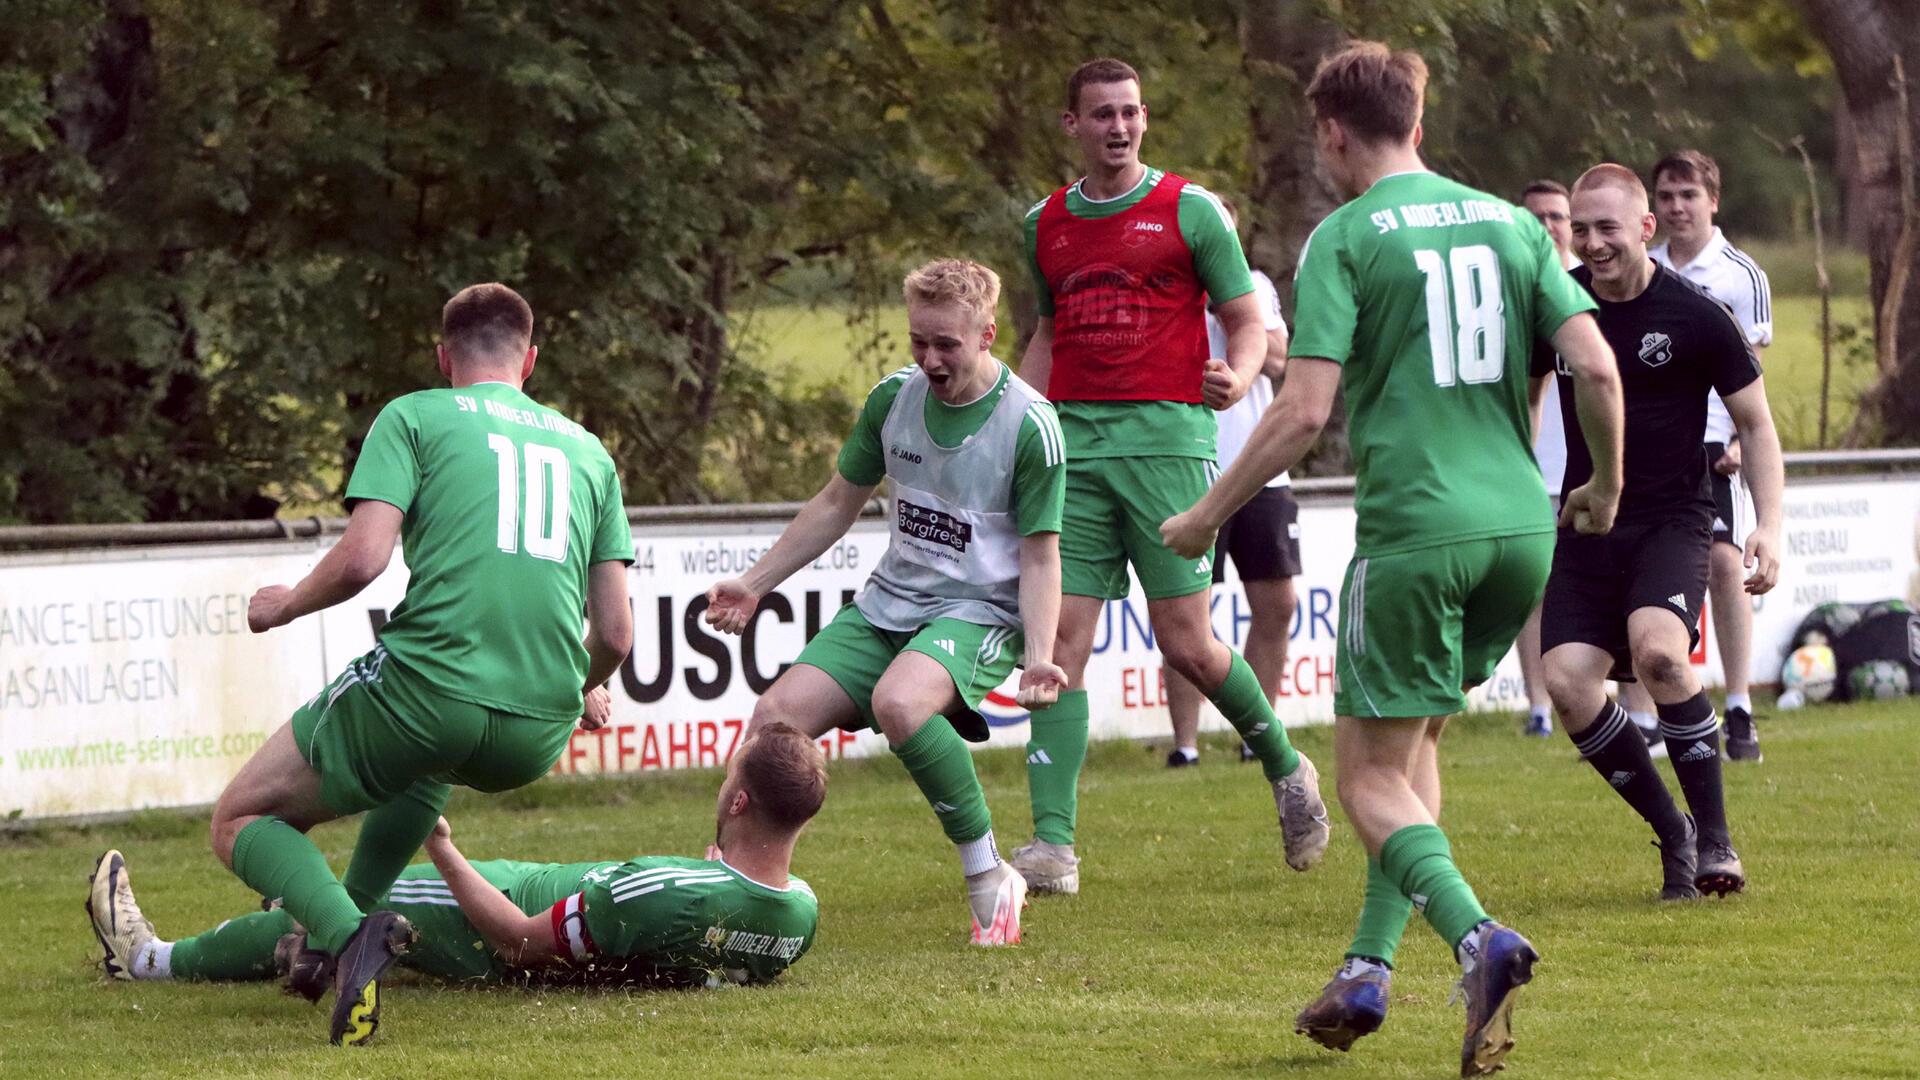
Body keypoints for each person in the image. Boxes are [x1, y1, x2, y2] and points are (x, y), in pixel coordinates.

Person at [1160, 43, 1625, 1075]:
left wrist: (1205, 515)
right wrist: (1603, 487)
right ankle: (1367, 969)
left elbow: (1303, 408)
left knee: (1365, 771)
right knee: (1412, 751)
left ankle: (1477, 940)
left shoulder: (1344, 235)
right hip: (1520, 529)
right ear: (1418, 115)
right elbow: (1593, 360)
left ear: (1332, 131)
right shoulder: (1510, 221)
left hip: (1418, 530)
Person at [204, 284, 636, 1044]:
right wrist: (584, 686)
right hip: (536, 731)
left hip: (432, 691)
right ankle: (326, 944)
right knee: (428, 760)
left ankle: (347, 935)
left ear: (444, 358)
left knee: (240, 818)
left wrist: (287, 605)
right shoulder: (590, 453)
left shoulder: (415, 415)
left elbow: (364, 558)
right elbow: (617, 634)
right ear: (530, 361)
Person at [1017, 57, 1329, 893]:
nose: (1117, 128)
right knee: (1058, 644)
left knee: (1187, 643)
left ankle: (1286, 767)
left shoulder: (1189, 210)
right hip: (1072, 451)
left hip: (1168, 447)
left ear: (1144, 118)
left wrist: (1243, 369)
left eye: (1129, 113)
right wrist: (1011, 420)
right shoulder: (1044, 222)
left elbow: (1246, 321)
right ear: (1072, 126)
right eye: (1101, 115)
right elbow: (1046, 337)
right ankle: (1053, 847)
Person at [705, 258, 1067, 946]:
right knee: (774, 718)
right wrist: (755, 583)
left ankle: (989, 876)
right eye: (919, 341)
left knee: (900, 703)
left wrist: (1041, 656)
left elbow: (1041, 553)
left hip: (980, 612)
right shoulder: (892, 399)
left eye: (947, 345)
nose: (930, 358)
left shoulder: (1031, 425)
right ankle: (728, 879)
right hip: (888, 605)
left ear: (988, 334)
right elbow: (838, 501)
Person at [87, 722, 824, 993]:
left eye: (730, 775)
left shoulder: (665, 891)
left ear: (738, 804)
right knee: (318, 909)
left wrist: (442, 847)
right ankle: (297, 939)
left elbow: (521, 945)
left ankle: (148, 959)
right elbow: (712, 941)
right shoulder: (800, 916)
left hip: (490, 921)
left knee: (339, 914)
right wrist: (708, 874)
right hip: (591, 906)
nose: (722, 780)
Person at [1536, 164, 1783, 903]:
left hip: (1675, 516)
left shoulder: (1698, 314)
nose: (1593, 242)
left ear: (1646, 229)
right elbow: (1521, 406)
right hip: (1584, 521)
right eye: (1582, 230)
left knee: (1660, 657)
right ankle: (1672, 834)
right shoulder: (1559, 307)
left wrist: (1769, 523)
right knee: (1568, 683)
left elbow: (1757, 422)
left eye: (1607, 228)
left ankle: (1715, 839)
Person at [1164, 196, 1300, 768]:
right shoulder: (1165, 285)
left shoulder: (1252, 284)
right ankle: (1186, 745)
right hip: (1189, 469)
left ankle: (1255, 735)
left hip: (1261, 471)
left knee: (1278, 603)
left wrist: (1233, 311)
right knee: (1187, 615)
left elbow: (1281, 359)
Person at [1650, 149, 1774, 762]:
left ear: (1712, 200)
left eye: (1688, 195)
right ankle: (1646, 714)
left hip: (1712, 448)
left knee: (1724, 566)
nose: (1676, 207)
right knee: (1635, 564)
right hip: (1650, 444)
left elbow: (1752, 379)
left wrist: (1734, 441)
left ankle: (1740, 703)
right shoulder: (1641, 267)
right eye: (1666, 196)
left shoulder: (1739, 275)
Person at [1514, 179, 1579, 738]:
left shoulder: (1588, 285)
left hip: (1590, 465)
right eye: (1536, 216)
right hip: (1532, 462)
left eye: (1558, 216)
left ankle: (1624, 704)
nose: (1548, 225)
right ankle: (1538, 705)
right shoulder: (1508, 284)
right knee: (1535, 585)